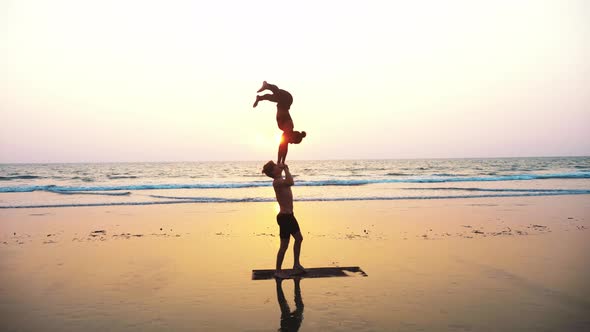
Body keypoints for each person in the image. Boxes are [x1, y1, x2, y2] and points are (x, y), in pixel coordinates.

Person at [262, 160, 305, 278]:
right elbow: (291, 182)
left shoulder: (280, 180)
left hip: (289, 216)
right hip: (285, 218)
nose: (278, 166)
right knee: (284, 245)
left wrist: (284, 168)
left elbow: (289, 181)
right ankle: (278, 270)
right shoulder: (277, 182)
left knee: (299, 238)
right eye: (276, 166)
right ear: (273, 172)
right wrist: (286, 168)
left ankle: (296, 265)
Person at [253, 81, 306, 164]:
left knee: (273, 97)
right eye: (292, 141)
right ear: (293, 136)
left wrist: (282, 162)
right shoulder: (288, 128)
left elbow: (283, 148)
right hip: (287, 99)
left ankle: (259, 98)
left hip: (283, 101)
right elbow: (282, 148)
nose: (291, 143)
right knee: (276, 94)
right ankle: (267, 85)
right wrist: (280, 162)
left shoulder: (287, 132)